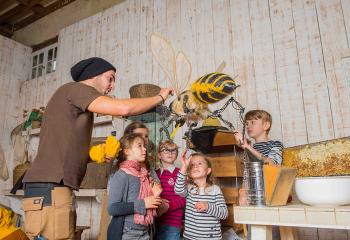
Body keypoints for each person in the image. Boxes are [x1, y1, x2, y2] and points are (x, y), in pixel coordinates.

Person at [21, 57, 172, 239]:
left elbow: (67, 147)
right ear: (94, 75)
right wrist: (159, 97)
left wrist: (95, 155)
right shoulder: (76, 89)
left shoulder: (75, 101)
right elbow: (124, 109)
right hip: (51, 186)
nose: (112, 86)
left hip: (55, 186)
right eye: (110, 78)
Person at [234, 109, 283, 240]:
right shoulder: (249, 148)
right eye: (246, 124)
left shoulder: (275, 144)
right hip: (252, 196)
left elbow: (273, 164)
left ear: (266, 125)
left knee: (272, 232)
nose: (248, 126)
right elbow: (247, 173)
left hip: (270, 194)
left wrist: (247, 147)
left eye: (253, 122)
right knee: (254, 232)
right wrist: (243, 191)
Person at [107, 133, 162, 240]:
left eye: (144, 146)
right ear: (127, 151)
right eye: (139, 146)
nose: (144, 149)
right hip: (127, 233)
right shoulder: (121, 175)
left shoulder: (143, 174)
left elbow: (148, 202)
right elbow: (112, 208)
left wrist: (154, 195)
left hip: (145, 231)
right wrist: (144, 203)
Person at [175, 151, 228, 240]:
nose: (195, 166)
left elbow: (224, 214)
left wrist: (208, 206)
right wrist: (184, 167)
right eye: (192, 165)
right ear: (189, 173)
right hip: (190, 237)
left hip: (212, 238)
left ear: (208, 170)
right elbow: (178, 190)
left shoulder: (215, 190)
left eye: (199, 163)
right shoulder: (189, 188)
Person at [155, 140, 186, 240]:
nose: (170, 152)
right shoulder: (154, 174)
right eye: (166, 150)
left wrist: (167, 207)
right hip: (155, 222)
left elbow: (184, 198)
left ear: (176, 155)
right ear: (159, 155)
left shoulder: (180, 174)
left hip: (172, 223)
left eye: (173, 150)